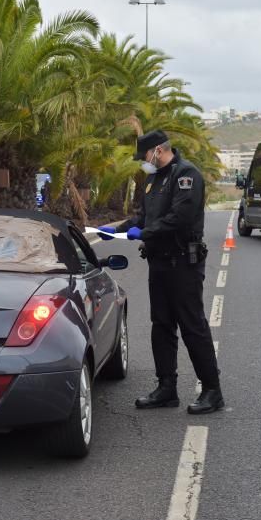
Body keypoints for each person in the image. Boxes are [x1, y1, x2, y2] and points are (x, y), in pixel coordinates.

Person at [97, 130, 224, 415]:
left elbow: (180, 218)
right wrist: (116, 230)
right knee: (161, 325)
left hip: (183, 263)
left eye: (144, 155)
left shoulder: (187, 175)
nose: (144, 161)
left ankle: (212, 390)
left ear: (157, 150)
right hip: (159, 262)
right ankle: (166, 388)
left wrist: (144, 232)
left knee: (193, 326)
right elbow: (144, 216)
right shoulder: (154, 179)